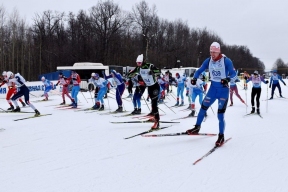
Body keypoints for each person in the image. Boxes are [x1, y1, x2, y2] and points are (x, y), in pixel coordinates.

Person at [185, 42, 237, 146]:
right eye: (211, 52)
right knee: (203, 107)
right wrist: (194, 78)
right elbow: (199, 70)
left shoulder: (226, 61)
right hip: (213, 89)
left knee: (220, 115)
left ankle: (221, 136)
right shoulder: (208, 60)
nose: (212, 54)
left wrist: (228, 79)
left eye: (214, 52)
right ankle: (197, 127)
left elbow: (234, 74)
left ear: (219, 52)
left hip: (223, 91)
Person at [128, 54, 161, 129]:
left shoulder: (149, 66)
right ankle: (154, 116)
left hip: (155, 86)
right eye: (137, 63)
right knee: (153, 103)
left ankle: (157, 121)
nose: (138, 64)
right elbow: (130, 74)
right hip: (149, 87)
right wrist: (131, 75)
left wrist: (153, 72)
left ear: (143, 62)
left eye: (139, 63)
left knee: (154, 104)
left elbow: (158, 71)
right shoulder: (138, 68)